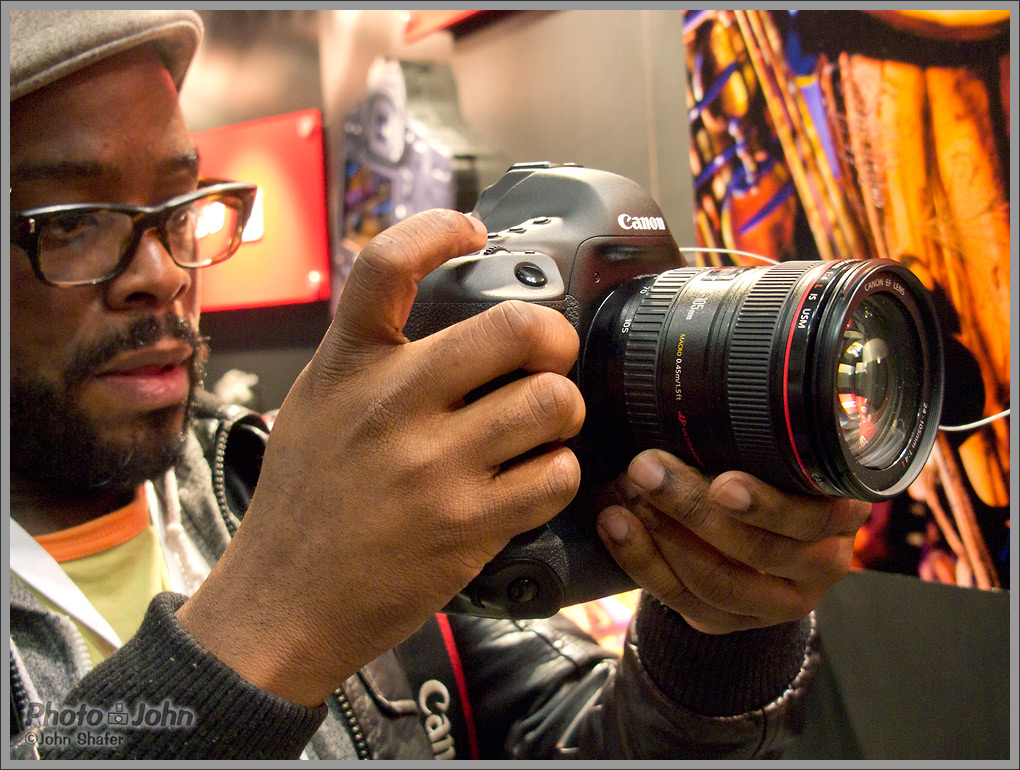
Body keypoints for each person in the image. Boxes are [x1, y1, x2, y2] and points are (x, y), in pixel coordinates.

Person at [7, 10, 871, 760]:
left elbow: (577, 742)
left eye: (179, 206)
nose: (159, 274)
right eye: (73, 223)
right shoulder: (299, 518)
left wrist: (719, 620)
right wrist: (276, 611)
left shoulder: (255, 481)